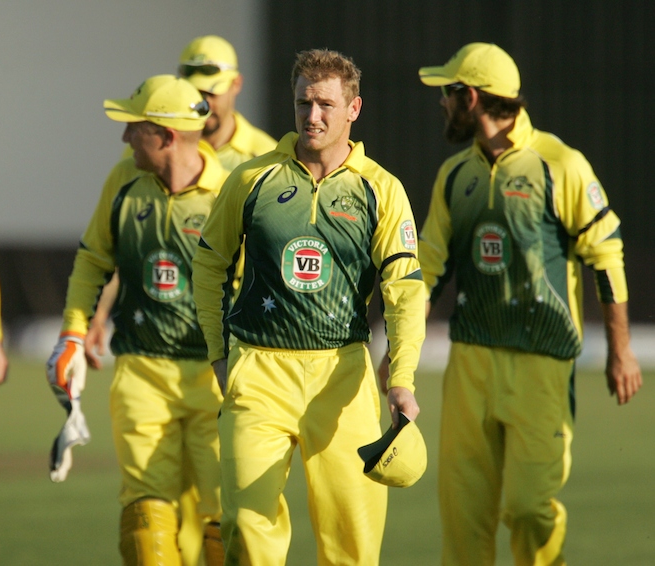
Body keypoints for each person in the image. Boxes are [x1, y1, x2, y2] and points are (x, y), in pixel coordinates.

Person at [192, 49, 426, 565]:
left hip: (342, 376)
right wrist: (218, 355)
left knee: (352, 546)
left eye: (324, 104)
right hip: (257, 370)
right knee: (248, 537)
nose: (312, 116)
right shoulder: (252, 179)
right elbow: (208, 267)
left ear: (353, 109)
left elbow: (405, 290)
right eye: (303, 103)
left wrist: (402, 377)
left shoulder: (381, 189)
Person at [417, 43, 643, 565]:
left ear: (471, 97)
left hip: (543, 363)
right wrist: (401, 352)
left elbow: (605, 255)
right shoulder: (454, 175)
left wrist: (621, 351)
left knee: (528, 510)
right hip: (470, 365)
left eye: (448, 94)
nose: (442, 104)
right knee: (464, 519)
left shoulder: (559, 163)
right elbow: (428, 269)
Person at [47, 75, 228, 565]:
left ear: (166, 137)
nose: (125, 137)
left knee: (226, 525)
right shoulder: (121, 181)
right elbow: (92, 260)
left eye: (135, 127)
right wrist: (72, 331)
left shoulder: (231, 192)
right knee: (145, 523)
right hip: (141, 371)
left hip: (219, 379)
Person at [176, 35, 277, 172]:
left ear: (236, 84)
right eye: (195, 93)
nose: (204, 104)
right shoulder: (165, 149)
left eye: (212, 93)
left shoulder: (267, 157)